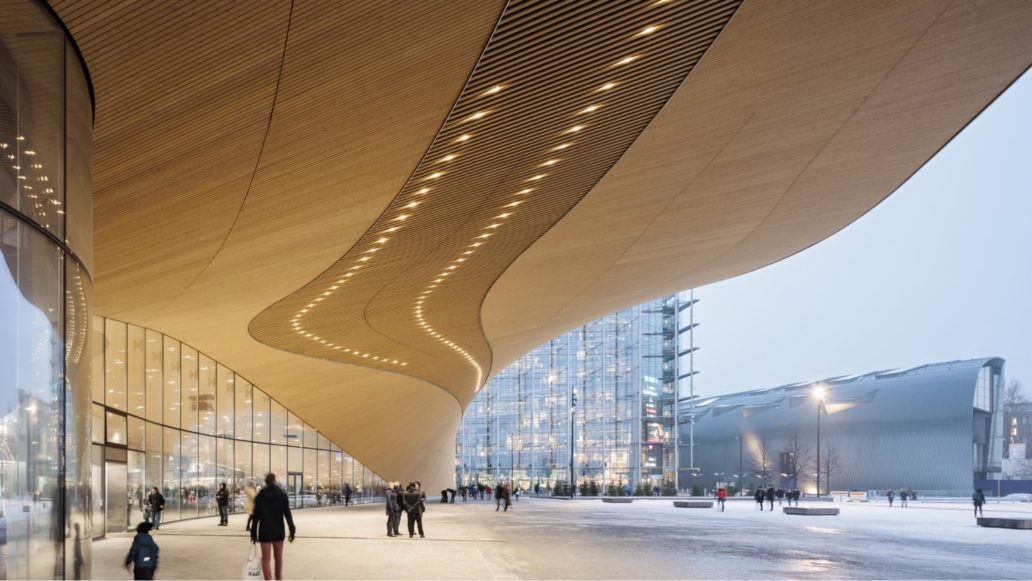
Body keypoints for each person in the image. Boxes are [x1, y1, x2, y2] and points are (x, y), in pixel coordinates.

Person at [250, 473, 296, 581]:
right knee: (278, 557)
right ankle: (279, 578)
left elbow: (255, 516)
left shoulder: (260, 495)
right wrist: (292, 530)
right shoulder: (282, 494)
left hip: (264, 531)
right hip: (278, 531)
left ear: (265, 482)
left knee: (266, 559)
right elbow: (287, 514)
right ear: (274, 481)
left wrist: (253, 533)